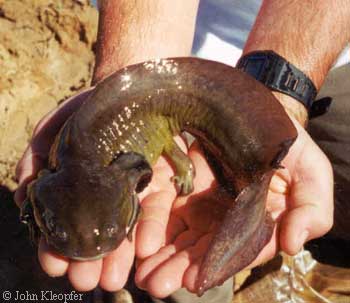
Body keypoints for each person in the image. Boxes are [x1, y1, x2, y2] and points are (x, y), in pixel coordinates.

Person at [14, 0, 349, 302]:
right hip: (166, 46)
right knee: (170, 275)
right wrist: (132, 54)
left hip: (326, 57)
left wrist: (282, 89)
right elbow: (41, 187)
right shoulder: (69, 172)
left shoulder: (116, 164)